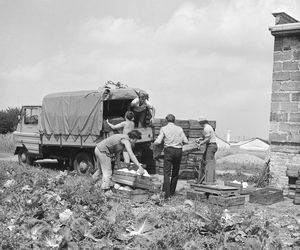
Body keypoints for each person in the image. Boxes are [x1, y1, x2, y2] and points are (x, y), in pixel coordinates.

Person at [154, 114, 189, 199]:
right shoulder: (179, 129)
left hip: (169, 150)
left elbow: (158, 141)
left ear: (166, 120)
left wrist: (154, 143)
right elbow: (186, 141)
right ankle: (172, 192)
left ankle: (166, 194)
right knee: (175, 172)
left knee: (166, 173)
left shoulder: (164, 128)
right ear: (174, 120)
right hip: (178, 151)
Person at [196, 117, 218, 183]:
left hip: (211, 146)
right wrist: (199, 139)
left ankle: (209, 180)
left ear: (202, 122)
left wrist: (200, 144)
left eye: (199, 123)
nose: (199, 124)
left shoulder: (206, 128)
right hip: (211, 146)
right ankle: (205, 179)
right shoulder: (208, 127)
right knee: (204, 162)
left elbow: (207, 139)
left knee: (208, 163)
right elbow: (206, 137)